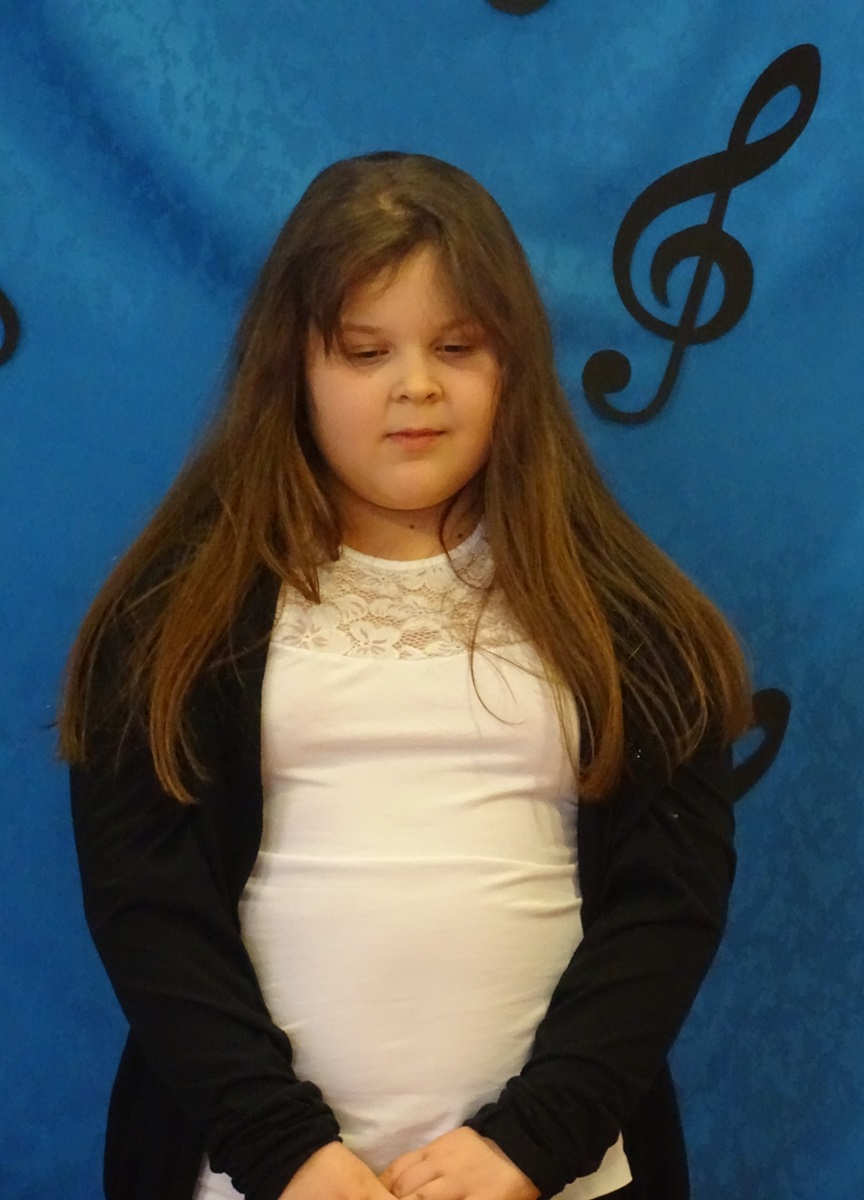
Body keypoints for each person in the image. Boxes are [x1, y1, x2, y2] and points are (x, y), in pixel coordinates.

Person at [58, 150, 753, 1200]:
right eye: (366, 351)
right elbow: (150, 916)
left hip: (556, 1176)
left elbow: (668, 910)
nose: (416, 386)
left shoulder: (628, 623)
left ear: (514, 364)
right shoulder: (171, 624)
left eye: (457, 347)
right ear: (293, 368)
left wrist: (532, 1143)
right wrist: (285, 1151)